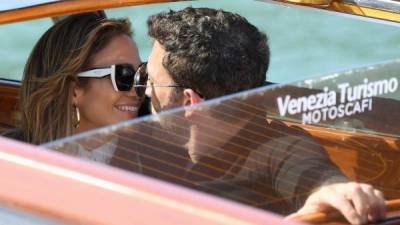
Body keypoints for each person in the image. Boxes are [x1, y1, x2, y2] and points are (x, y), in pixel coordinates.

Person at [141, 7, 385, 225]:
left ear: (188, 101)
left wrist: (332, 191)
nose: (143, 89)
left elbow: (310, 172)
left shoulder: (280, 148)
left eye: (150, 80)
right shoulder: (153, 132)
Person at [3, 12, 148, 147]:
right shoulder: (11, 157)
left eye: (142, 74)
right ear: (74, 89)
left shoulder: (153, 152)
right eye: (124, 75)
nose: (138, 91)